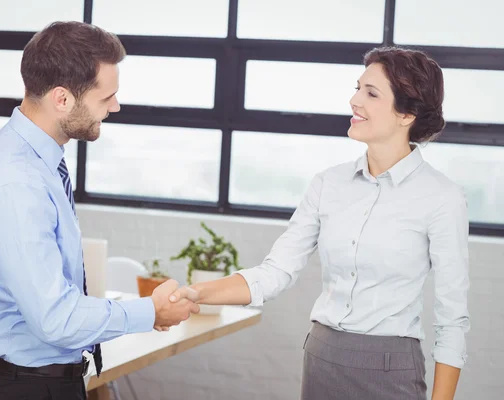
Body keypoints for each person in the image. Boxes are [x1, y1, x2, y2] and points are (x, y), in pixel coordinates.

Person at [168, 47, 470, 400]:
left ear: (406, 113)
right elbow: (276, 272)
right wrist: (196, 292)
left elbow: (453, 319)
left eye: (371, 93)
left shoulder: (441, 197)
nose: (354, 100)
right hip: (322, 358)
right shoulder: (328, 183)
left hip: (392, 370)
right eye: (357, 88)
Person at [0, 21, 199, 400]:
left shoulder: (40, 164)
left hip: (46, 381)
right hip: (26, 388)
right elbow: (56, 318)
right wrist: (149, 312)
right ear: (62, 99)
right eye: (106, 98)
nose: (115, 106)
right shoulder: (15, 179)